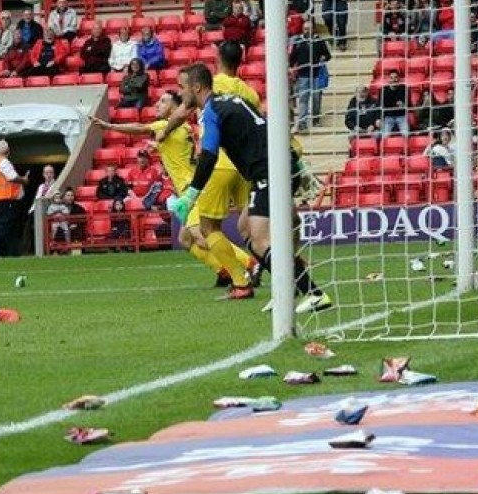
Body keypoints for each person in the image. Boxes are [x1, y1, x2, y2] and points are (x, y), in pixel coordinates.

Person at [157, 63, 331, 313]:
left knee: (259, 240)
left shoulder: (210, 112)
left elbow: (208, 155)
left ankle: (314, 293)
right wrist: (296, 162)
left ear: (196, 87)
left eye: (182, 88)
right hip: (281, 166)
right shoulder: (235, 101)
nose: (181, 95)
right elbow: (265, 127)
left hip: (267, 173)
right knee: (247, 228)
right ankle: (288, 290)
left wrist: (192, 194)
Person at [92, 91, 257, 296]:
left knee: (203, 235)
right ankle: (222, 271)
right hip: (192, 186)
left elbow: (140, 128)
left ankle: (249, 264)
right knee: (186, 239)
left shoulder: (166, 126)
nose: (157, 104)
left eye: (163, 101)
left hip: (191, 189)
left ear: (174, 107)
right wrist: (158, 147)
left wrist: (110, 126)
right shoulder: (185, 128)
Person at [0, 140, 28, 257]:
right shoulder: (4, 162)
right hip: (6, 197)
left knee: (9, 225)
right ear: (8, 152)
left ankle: (14, 251)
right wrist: (24, 180)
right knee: (5, 224)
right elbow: (12, 177)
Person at [380, 69, 408, 135]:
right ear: (388, 79)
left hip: (401, 116)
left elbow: (409, 105)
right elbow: (381, 106)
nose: (394, 80)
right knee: (384, 135)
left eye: (395, 77)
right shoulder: (383, 90)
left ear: (399, 79)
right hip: (388, 117)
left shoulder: (404, 88)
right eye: (391, 78)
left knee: (406, 133)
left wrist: (403, 105)